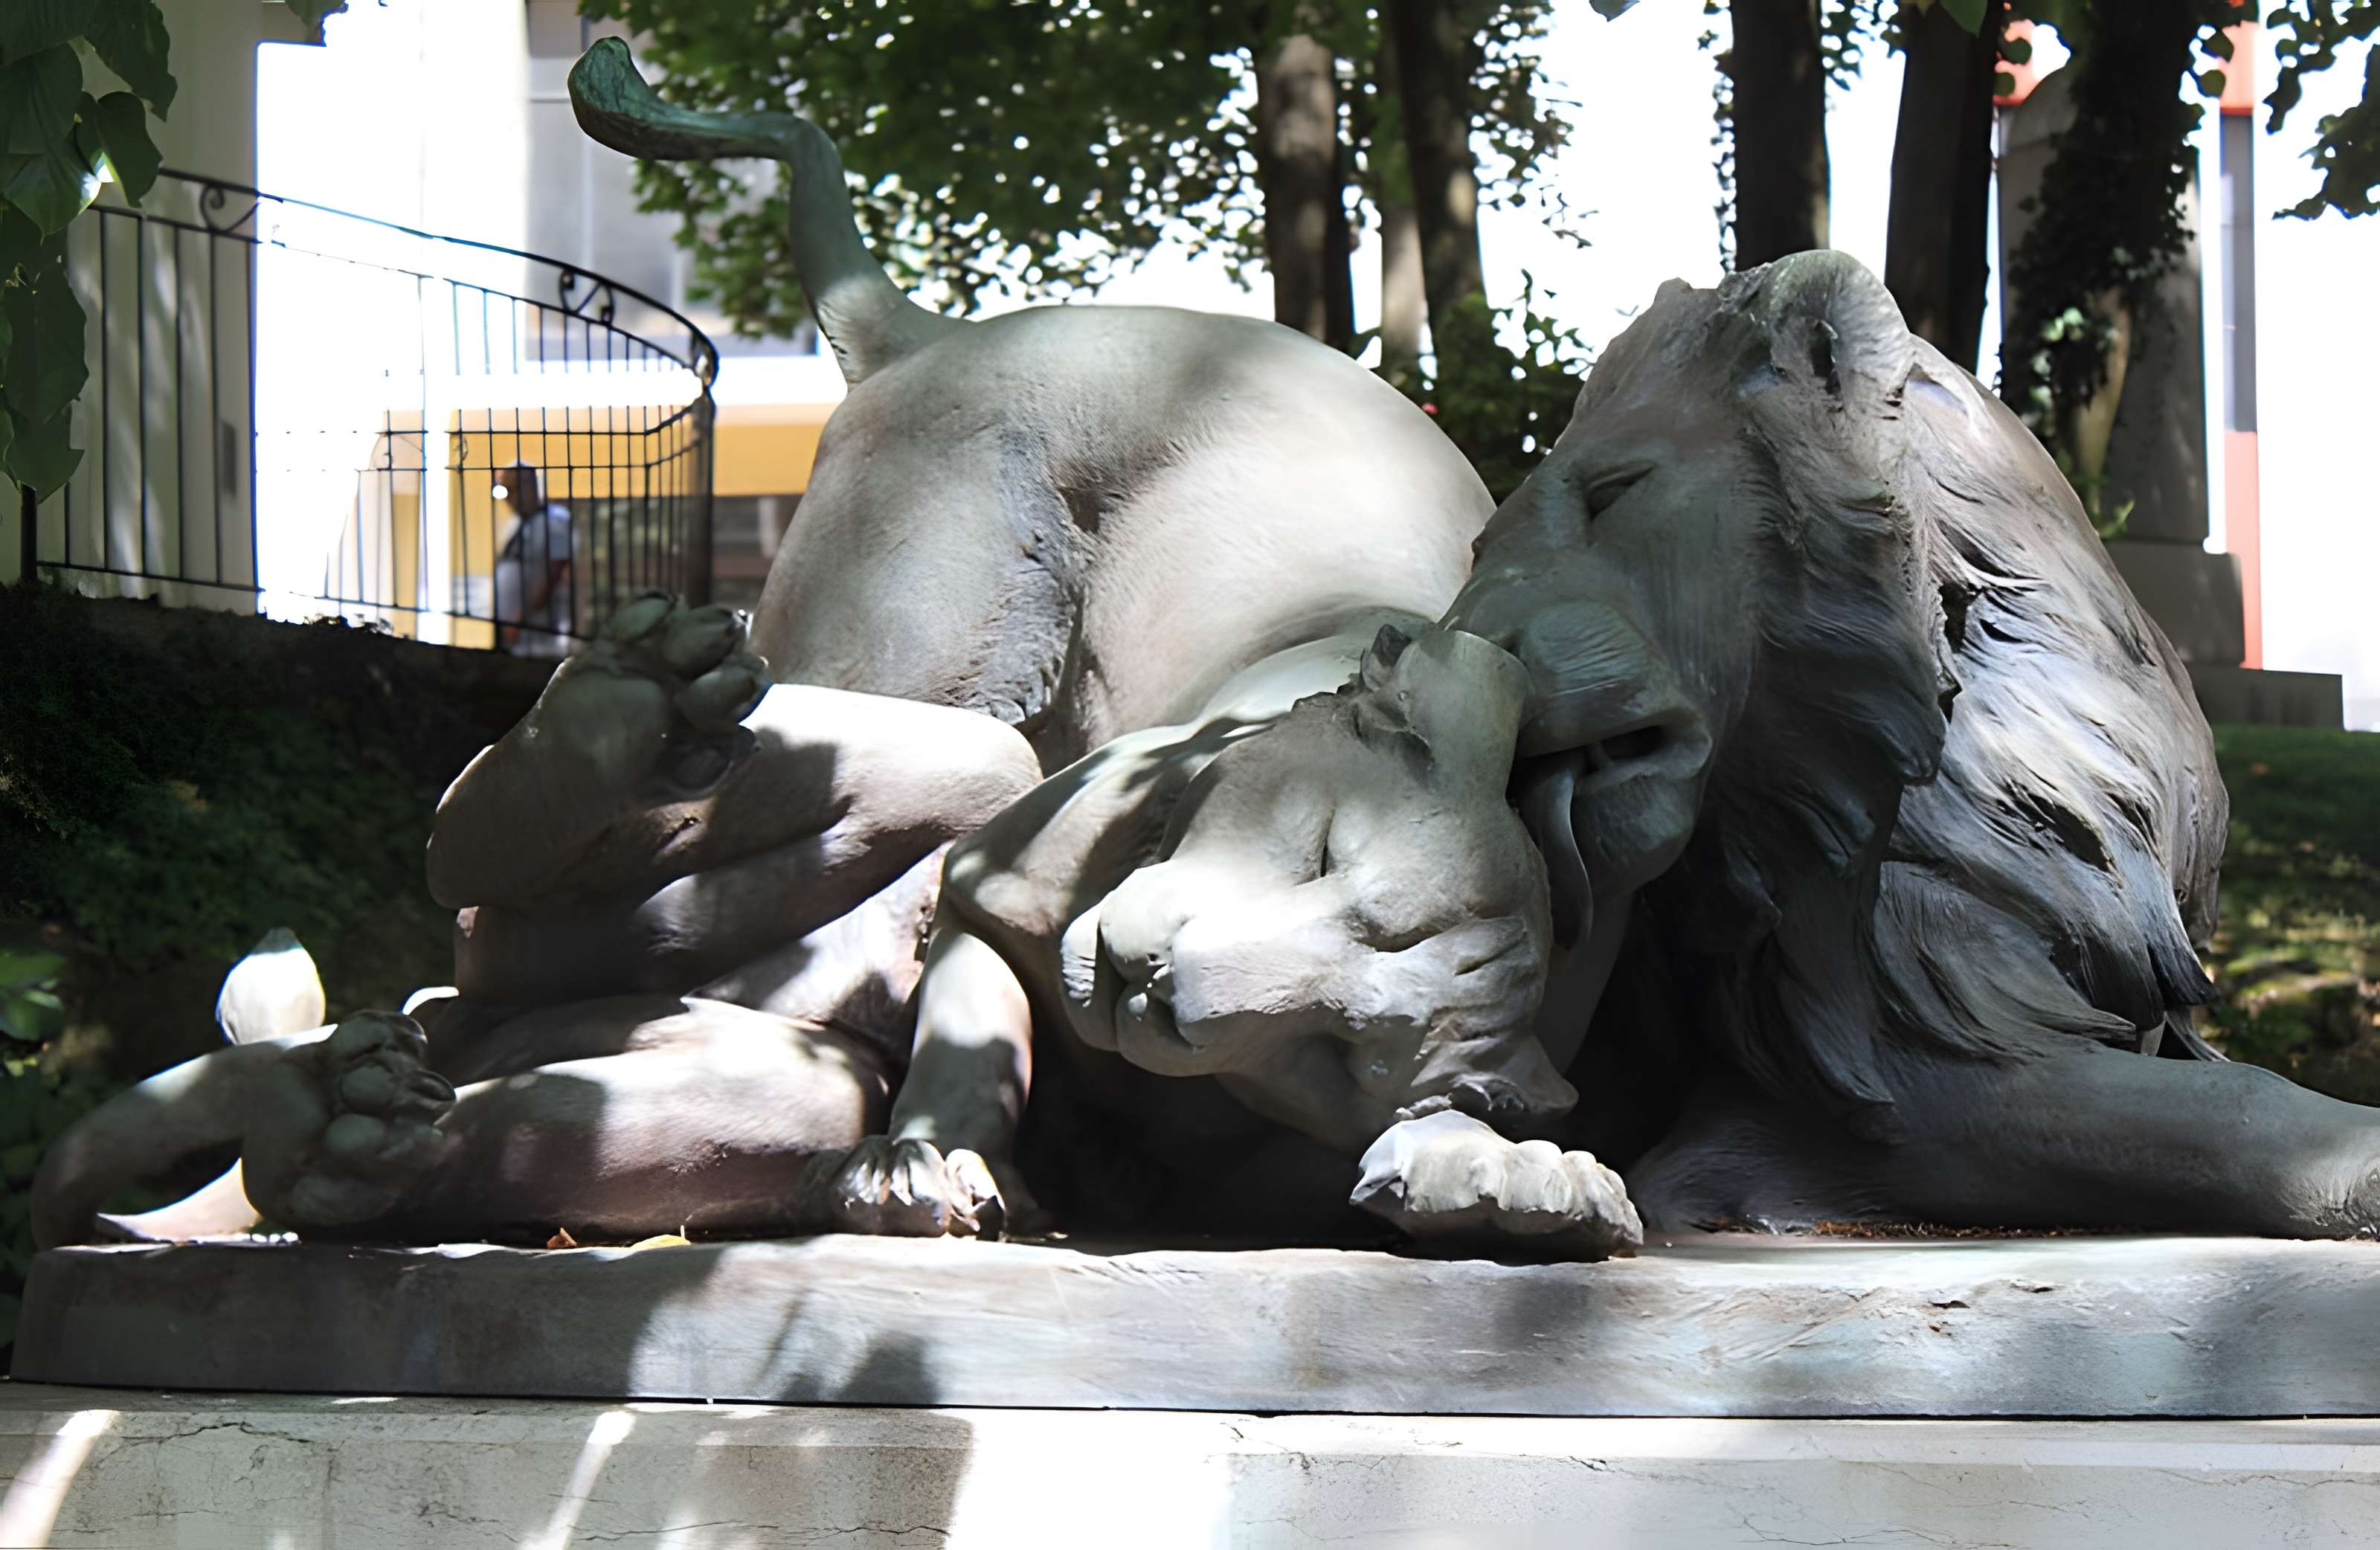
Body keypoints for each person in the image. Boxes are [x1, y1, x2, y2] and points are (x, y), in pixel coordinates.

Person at [492, 463, 576, 657]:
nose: (509, 500)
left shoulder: (556, 521)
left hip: (541, 634)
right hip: (516, 634)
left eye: (512, 491)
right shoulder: (515, 524)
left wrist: (520, 620)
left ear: (530, 486)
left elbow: (554, 572)